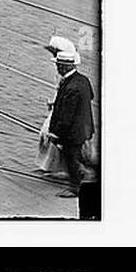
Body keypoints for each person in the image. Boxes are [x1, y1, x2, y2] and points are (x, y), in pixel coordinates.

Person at [47, 48, 95, 198]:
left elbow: (66, 116)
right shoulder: (82, 80)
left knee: (71, 157)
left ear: (63, 66)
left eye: (58, 65)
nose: (57, 68)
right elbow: (91, 96)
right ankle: (90, 173)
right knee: (79, 155)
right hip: (84, 127)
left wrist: (55, 133)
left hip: (73, 131)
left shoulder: (71, 86)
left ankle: (75, 187)